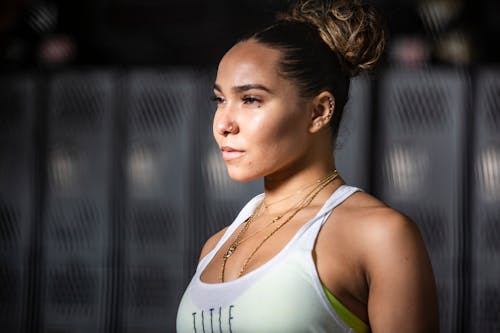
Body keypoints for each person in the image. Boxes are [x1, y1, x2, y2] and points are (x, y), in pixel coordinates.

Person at [176, 0, 439, 332]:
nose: (223, 124)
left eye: (251, 99)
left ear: (319, 112)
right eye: (220, 100)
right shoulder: (214, 248)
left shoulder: (380, 235)